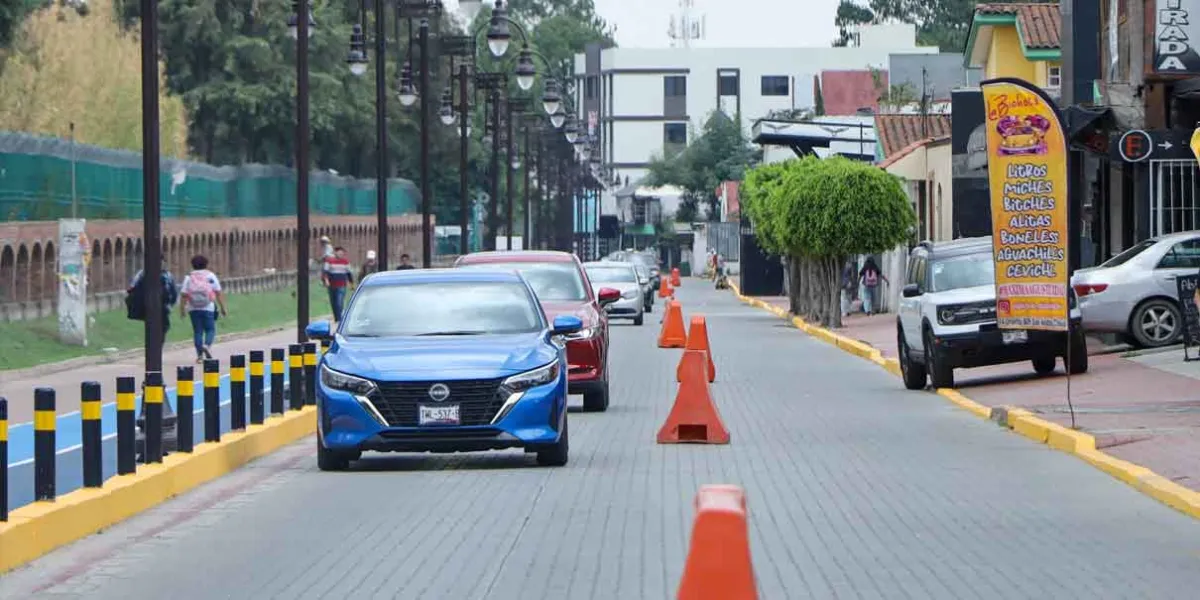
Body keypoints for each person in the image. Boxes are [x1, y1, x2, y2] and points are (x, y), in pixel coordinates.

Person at [179, 255, 227, 362]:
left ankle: (199, 356)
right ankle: (207, 345)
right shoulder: (210, 276)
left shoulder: (189, 277)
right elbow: (218, 292)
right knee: (210, 329)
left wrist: (182, 309)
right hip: (208, 307)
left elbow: (183, 295)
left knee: (198, 331)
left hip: (193, 308)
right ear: (206, 264)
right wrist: (223, 308)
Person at [126, 267, 179, 334]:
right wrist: (171, 303)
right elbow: (173, 291)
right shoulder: (167, 274)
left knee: (152, 326)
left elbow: (131, 287)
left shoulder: (141, 273)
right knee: (164, 326)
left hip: (146, 305)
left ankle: (154, 341)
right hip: (162, 305)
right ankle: (157, 342)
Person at [323, 246, 354, 322]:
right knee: (333, 302)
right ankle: (336, 317)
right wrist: (326, 280)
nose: (340, 254)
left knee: (339, 301)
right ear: (335, 253)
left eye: (342, 253)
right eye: (339, 253)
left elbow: (349, 273)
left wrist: (351, 283)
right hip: (332, 285)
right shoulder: (329, 261)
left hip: (342, 285)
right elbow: (325, 272)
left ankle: (340, 318)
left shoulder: (345, 262)